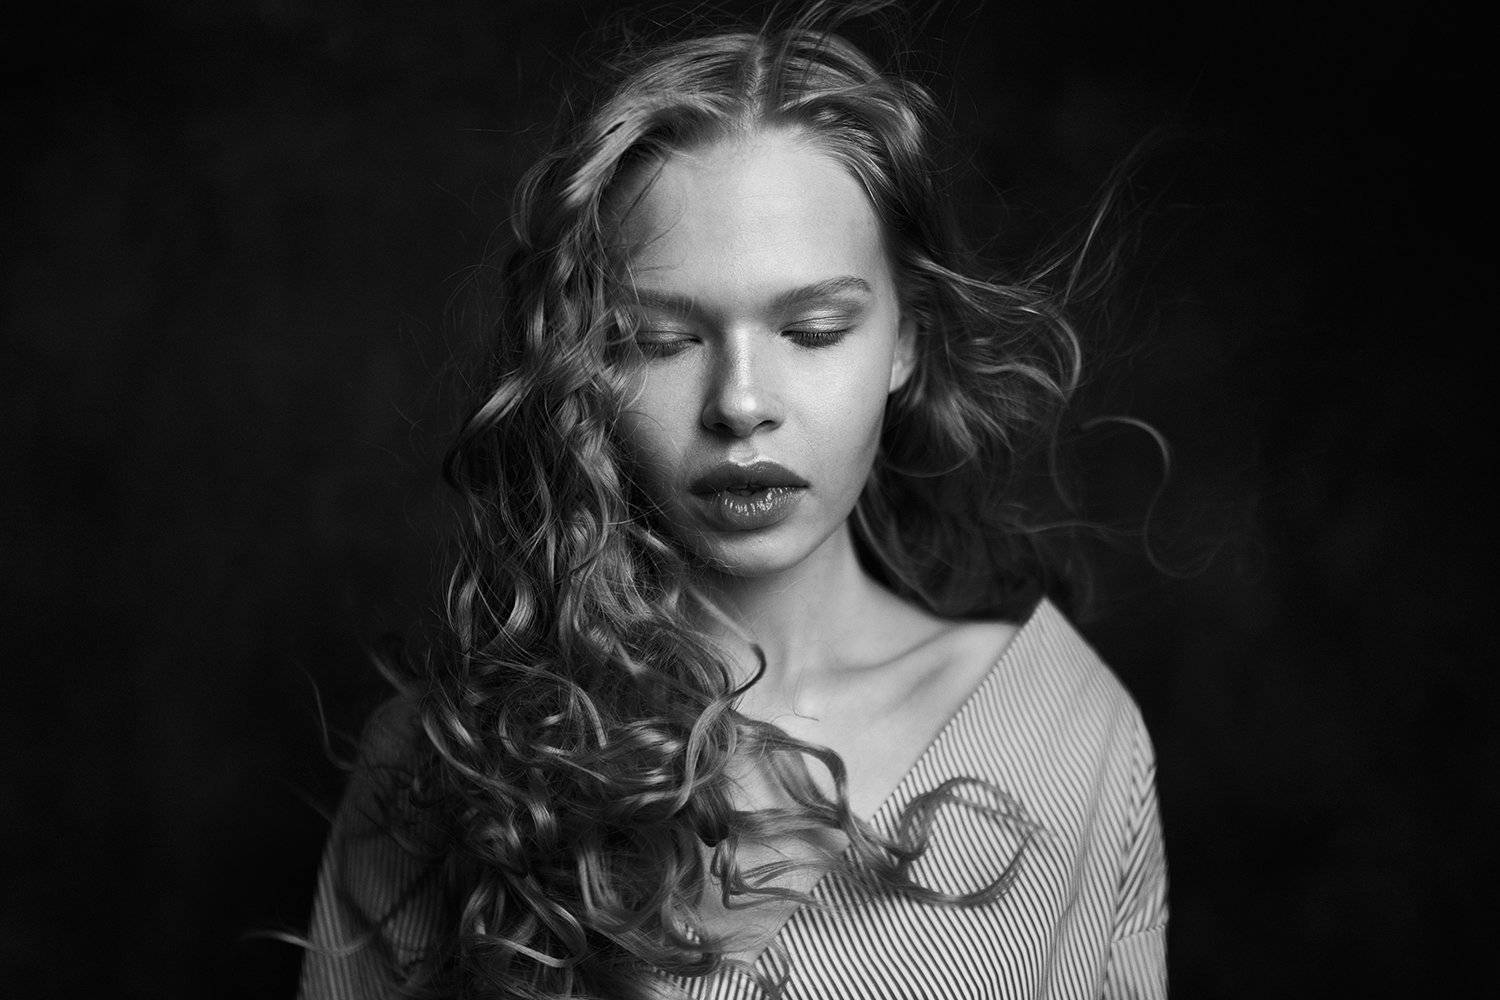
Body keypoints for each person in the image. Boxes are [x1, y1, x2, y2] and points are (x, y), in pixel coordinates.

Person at [298, 7, 1168, 999]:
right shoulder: (453, 759)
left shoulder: (1071, 733)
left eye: (814, 329)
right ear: (584, 362)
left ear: (907, 340)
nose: (741, 403)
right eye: (659, 340)